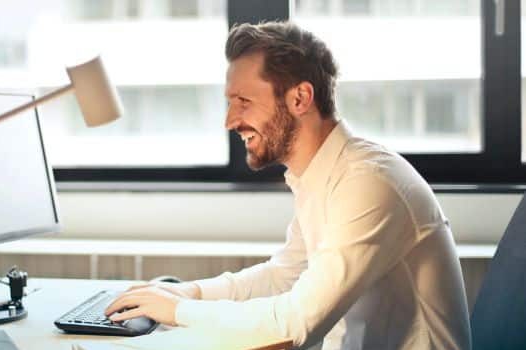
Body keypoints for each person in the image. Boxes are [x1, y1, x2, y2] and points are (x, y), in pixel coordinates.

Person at [105, 21, 472, 350]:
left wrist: (179, 311)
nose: (230, 121)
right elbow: (284, 275)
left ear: (300, 99)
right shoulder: (321, 176)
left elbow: (297, 324)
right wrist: (190, 293)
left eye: (243, 102)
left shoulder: (369, 183)